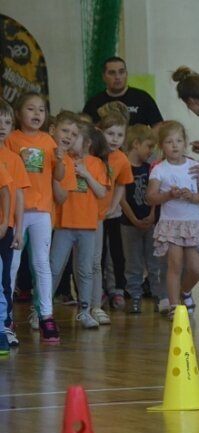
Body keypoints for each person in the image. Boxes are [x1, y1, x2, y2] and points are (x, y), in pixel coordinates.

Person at [7, 93, 69, 343]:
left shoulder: (48, 141)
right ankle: (6, 317)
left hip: (42, 210)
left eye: (41, 110)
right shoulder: (11, 139)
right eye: (30, 109)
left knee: (41, 264)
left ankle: (46, 316)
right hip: (16, 211)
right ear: (18, 114)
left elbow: (58, 174)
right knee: (12, 264)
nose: (36, 114)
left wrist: (62, 160)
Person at [146, 121, 199, 320]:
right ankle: (175, 306)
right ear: (161, 146)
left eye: (178, 141)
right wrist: (168, 195)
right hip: (171, 224)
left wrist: (191, 196)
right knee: (174, 265)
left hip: (192, 224)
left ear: (185, 143)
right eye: (169, 142)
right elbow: (151, 197)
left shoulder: (194, 167)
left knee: (195, 268)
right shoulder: (160, 170)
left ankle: (185, 291)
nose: (174, 145)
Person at [50, 122, 109, 329]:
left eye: (76, 137)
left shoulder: (96, 163)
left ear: (87, 143)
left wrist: (86, 174)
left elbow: (102, 192)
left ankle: (85, 311)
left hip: (88, 226)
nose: (70, 139)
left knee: (85, 270)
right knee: (54, 267)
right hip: (64, 224)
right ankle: (42, 310)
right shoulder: (62, 160)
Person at [120, 124, 166, 315]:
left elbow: (155, 194)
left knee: (154, 262)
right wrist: (134, 219)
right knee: (133, 263)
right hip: (129, 224)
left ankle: (158, 296)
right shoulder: (124, 168)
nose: (151, 151)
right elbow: (121, 199)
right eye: (149, 146)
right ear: (136, 144)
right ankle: (135, 296)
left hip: (150, 222)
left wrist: (152, 214)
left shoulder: (150, 169)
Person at [97, 108, 134, 314]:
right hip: (94, 215)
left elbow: (121, 185)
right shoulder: (94, 155)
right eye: (110, 133)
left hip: (113, 214)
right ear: (99, 132)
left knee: (117, 254)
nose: (115, 139)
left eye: (119, 135)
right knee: (98, 254)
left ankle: (117, 289)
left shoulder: (121, 159)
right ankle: (99, 289)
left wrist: (113, 207)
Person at [0, 100, 30, 347]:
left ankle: (6, 324)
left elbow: (18, 194)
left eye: (7, 122)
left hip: (5, 228)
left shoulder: (14, 159)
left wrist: (19, 229)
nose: (2, 126)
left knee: (5, 278)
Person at [83, 57, 163, 127]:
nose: (117, 77)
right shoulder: (93, 103)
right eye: (112, 73)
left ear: (126, 74)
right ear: (103, 77)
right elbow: (84, 131)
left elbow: (158, 127)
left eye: (121, 72)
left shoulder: (143, 98)